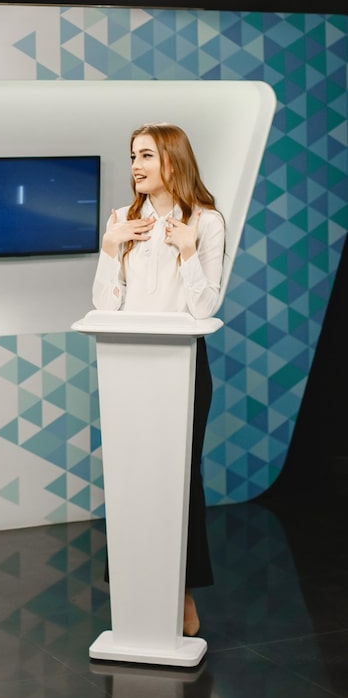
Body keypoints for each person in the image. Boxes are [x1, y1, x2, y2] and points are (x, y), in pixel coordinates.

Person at [91, 122, 225, 637]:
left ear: (173, 160)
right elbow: (105, 306)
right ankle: (133, 589)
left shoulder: (206, 222)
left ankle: (183, 590)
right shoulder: (120, 220)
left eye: (146, 155)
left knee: (179, 479)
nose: (136, 166)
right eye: (133, 156)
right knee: (130, 478)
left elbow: (203, 307)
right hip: (128, 368)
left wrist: (188, 251)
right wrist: (110, 248)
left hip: (183, 369)